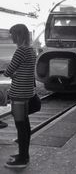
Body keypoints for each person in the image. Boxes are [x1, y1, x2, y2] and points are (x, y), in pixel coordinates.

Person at [2, 24, 36, 169]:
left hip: (18, 93)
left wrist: (11, 72)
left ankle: (22, 158)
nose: (11, 37)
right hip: (27, 92)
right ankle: (24, 154)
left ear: (18, 35)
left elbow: (8, 72)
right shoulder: (31, 50)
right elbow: (24, 70)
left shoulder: (20, 51)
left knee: (20, 125)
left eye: (12, 34)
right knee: (25, 124)